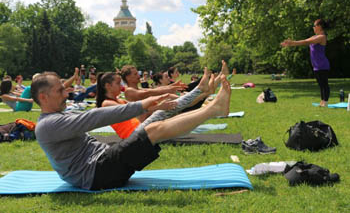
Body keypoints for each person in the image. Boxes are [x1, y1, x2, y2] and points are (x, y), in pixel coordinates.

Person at [32, 70, 231, 190]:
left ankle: (205, 99)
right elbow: (94, 118)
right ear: (43, 97)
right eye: (60, 90)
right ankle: (213, 109)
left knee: (157, 117)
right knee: (153, 130)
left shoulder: (58, 117)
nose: (66, 94)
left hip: (103, 161)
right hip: (96, 175)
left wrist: (147, 105)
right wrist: (142, 105)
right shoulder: (47, 126)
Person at [96, 68, 214, 138]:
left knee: (174, 115)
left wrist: (163, 98)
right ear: (108, 86)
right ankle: (200, 90)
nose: (121, 86)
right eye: (118, 83)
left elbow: (145, 100)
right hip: (133, 135)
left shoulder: (119, 100)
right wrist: (161, 103)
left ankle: (205, 97)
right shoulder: (106, 103)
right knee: (166, 110)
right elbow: (133, 109)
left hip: (139, 129)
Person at [281, 19, 330, 107]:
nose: (313, 27)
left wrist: (292, 42)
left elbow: (306, 42)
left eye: (314, 26)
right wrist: (290, 44)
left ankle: (325, 102)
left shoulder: (321, 37)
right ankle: (322, 101)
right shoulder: (315, 36)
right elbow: (303, 41)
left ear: (319, 27)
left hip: (322, 64)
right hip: (316, 65)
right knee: (320, 84)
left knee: (324, 84)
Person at [121, 65, 187, 102]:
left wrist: (173, 86)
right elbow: (150, 92)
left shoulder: (138, 88)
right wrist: (170, 88)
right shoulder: (129, 91)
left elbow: (153, 90)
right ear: (128, 77)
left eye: (138, 73)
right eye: (135, 74)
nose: (139, 76)